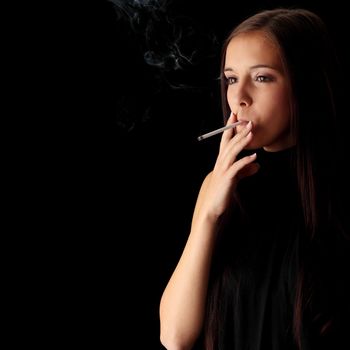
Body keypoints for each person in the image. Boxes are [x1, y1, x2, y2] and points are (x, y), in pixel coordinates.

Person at [159, 7, 350, 350]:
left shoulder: (339, 189)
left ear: (303, 84)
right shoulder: (217, 187)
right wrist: (208, 214)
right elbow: (175, 337)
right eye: (232, 78)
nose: (239, 97)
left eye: (262, 77)